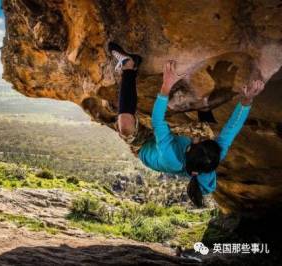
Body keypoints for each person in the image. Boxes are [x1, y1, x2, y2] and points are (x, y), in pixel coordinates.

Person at [109, 42, 265, 207]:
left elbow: (157, 121)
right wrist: (247, 99)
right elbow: (231, 129)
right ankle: (201, 100)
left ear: (189, 149)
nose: (198, 138)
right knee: (207, 130)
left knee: (125, 126)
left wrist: (167, 84)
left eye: (198, 141)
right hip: (176, 141)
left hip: (146, 146)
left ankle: (129, 66)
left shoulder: (172, 158)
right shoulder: (212, 155)